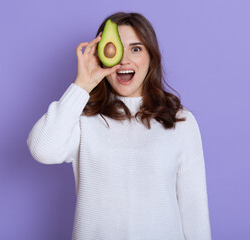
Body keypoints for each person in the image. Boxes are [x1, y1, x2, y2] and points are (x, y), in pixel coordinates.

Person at [27, 12, 212, 240]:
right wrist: (82, 85)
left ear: (151, 58)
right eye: (115, 48)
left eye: (136, 49)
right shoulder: (81, 117)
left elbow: (194, 207)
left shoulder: (180, 120)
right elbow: (42, 150)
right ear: (101, 56)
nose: (124, 60)